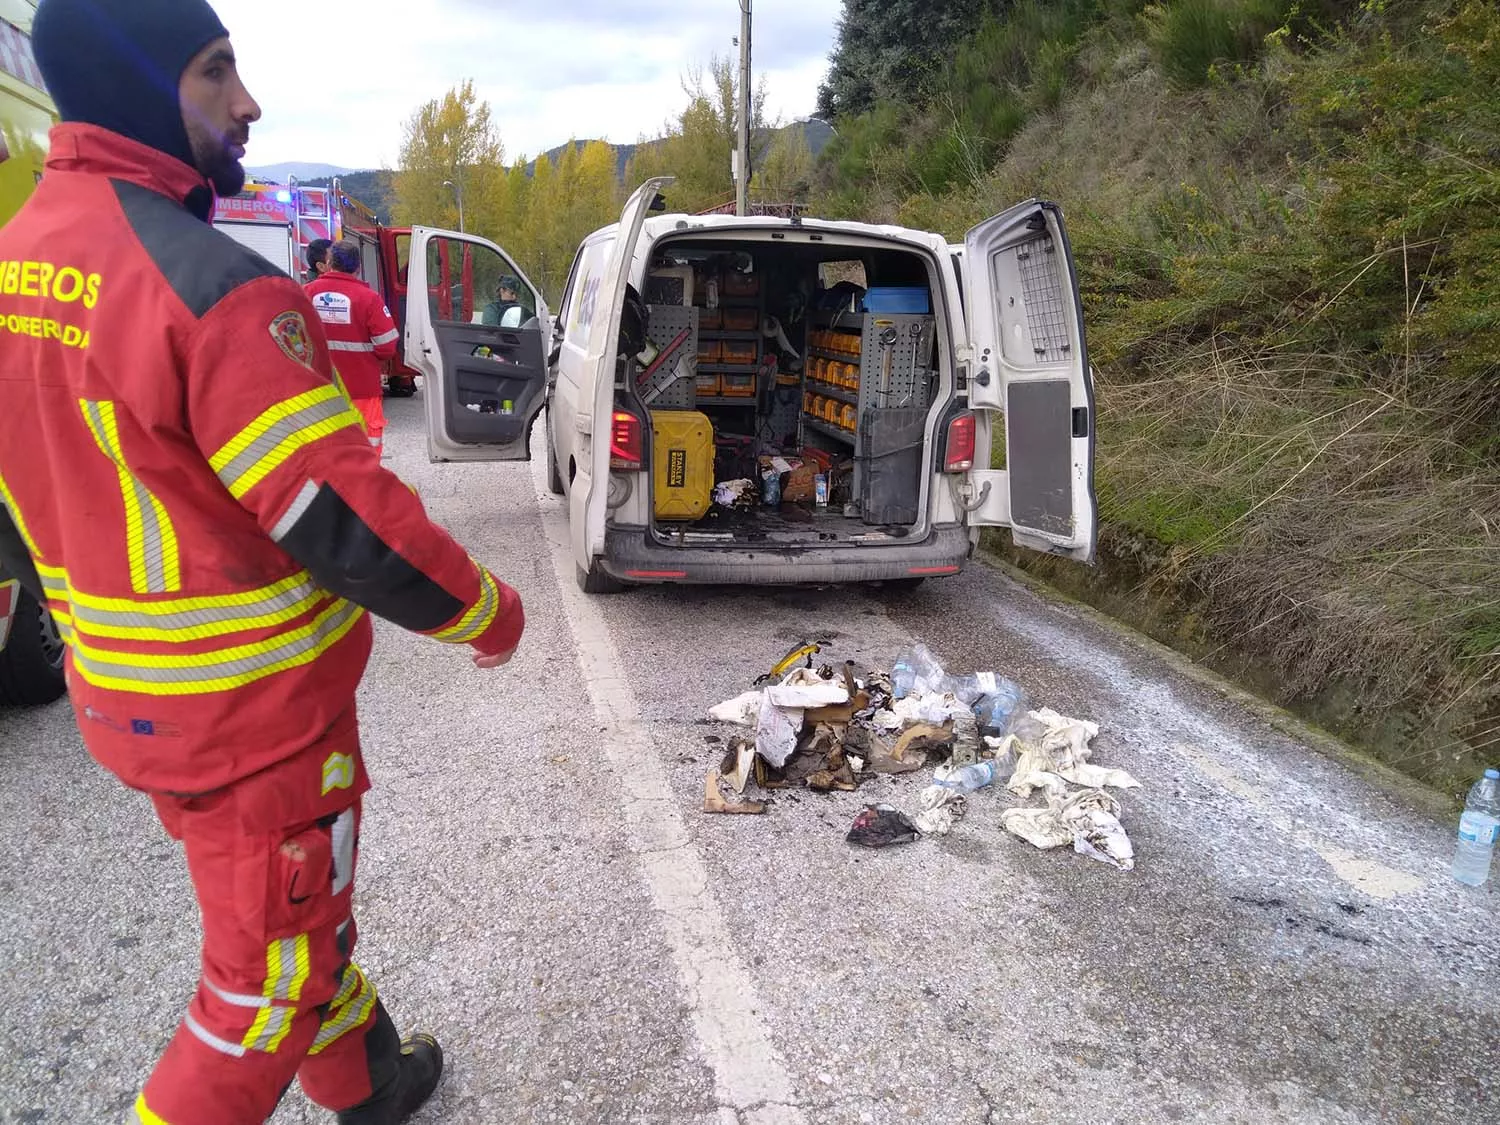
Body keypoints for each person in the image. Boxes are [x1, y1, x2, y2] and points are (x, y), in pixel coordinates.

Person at [0, 2, 524, 1123]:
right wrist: (488, 613)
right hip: (255, 721)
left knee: (294, 922)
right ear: (143, 85)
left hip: (130, 705)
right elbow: (343, 521)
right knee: (261, 992)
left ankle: (370, 1084)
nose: (248, 104)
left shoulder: (18, 265)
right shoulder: (211, 286)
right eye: (215, 72)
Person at [306, 239, 399, 454]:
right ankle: (364, 486)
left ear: (329, 263)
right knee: (365, 445)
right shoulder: (369, 299)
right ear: (358, 267)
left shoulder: (307, 293)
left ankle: (330, 487)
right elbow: (387, 346)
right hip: (361, 388)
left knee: (324, 446)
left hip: (318, 388)